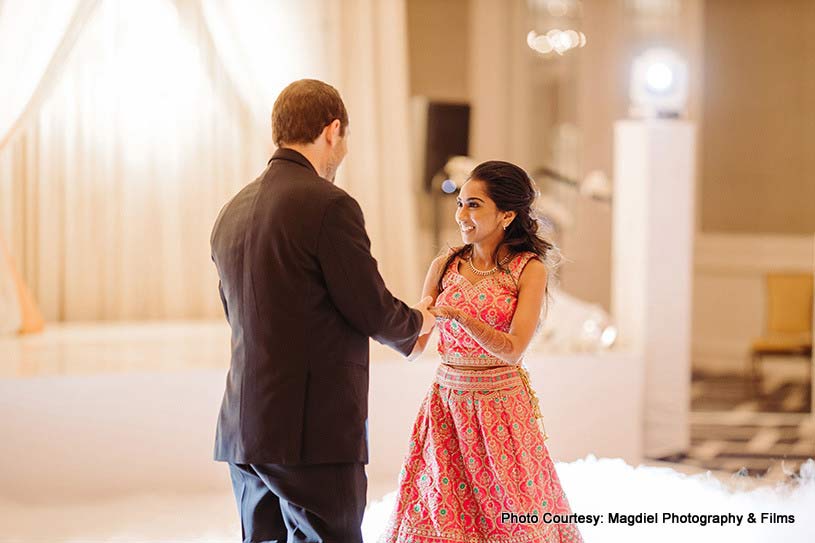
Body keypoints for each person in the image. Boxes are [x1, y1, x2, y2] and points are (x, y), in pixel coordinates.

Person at [210, 79, 435, 543]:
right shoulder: (329, 204)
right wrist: (418, 323)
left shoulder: (231, 212)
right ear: (332, 131)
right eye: (344, 139)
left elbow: (239, 314)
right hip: (310, 431)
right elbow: (368, 304)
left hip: (244, 427)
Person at [380, 161, 584, 543]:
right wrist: (383, 321)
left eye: (474, 205)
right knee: (443, 513)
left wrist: (459, 316)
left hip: (500, 409)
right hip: (446, 407)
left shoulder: (528, 269)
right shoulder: (444, 265)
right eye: (460, 203)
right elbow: (416, 348)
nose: (462, 215)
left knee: (511, 514)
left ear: (507, 214)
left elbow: (513, 350)